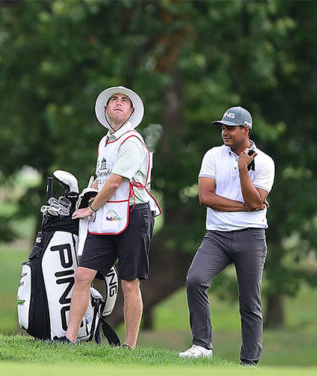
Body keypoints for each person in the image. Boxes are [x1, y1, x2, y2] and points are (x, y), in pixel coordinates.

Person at [61, 86, 160, 348]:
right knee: (83, 274)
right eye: (113, 100)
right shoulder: (105, 142)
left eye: (124, 101)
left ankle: (129, 346)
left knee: (129, 282)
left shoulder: (132, 141)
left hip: (133, 214)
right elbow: (104, 179)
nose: (118, 103)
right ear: (106, 110)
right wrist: (91, 193)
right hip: (106, 214)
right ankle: (69, 338)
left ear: (131, 111)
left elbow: (116, 181)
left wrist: (91, 208)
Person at [178, 106, 275, 366]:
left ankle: (249, 362)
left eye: (230, 128)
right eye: (223, 128)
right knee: (195, 280)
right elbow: (206, 197)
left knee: (249, 300)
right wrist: (246, 206)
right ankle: (201, 345)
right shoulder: (212, 155)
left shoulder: (264, 162)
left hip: (251, 238)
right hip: (217, 236)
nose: (225, 132)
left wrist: (244, 169)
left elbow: (256, 201)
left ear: (246, 129)